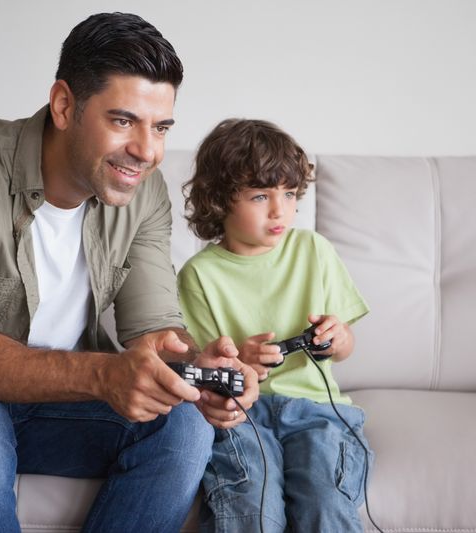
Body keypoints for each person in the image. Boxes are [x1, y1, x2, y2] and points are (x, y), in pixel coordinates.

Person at [0, 13, 258, 533]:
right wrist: (104, 373)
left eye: (161, 127)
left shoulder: (143, 192)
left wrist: (197, 370)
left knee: (186, 425)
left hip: (57, 403)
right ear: (64, 105)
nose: (148, 151)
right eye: (123, 120)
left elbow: (155, 331)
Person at [177, 118, 372, 532]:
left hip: (317, 412)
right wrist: (241, 361)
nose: (280, 209)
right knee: (250, 506)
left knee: (325, 499)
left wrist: (337, 339)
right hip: (243, 414)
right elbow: (202, 372)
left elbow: (347, 343)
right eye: (260, 196)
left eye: (288, 193)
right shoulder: (199, 275)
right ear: (220, 200)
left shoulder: (313, 250)